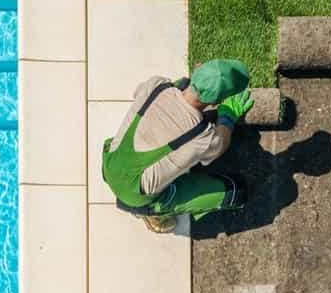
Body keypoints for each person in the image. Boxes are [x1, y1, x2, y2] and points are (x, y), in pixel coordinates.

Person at [101, 59, 255, 233]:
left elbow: (138, 92)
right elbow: (221, 143)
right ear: (217, 101)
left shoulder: (156, 84)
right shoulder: (203, 137)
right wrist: (227, 117)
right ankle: (153, 214)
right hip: (135, 196)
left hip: (111, 163)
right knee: (235, 192)